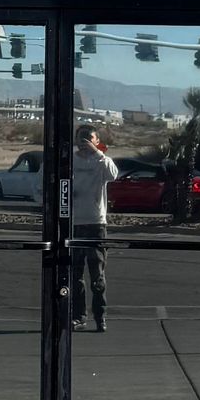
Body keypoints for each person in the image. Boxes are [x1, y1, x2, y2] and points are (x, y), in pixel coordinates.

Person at [71, 122, 119, 332]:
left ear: (97, 141)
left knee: (97, 276)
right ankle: (79, 317)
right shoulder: (70, 161)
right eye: (80, 138)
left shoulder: (101, 162)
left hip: (95, 224)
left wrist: (96, 153)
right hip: (73, 223)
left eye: (88, 139)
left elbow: (113, 174)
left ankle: (100, 317)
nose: (84, 143)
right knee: (75, 276)